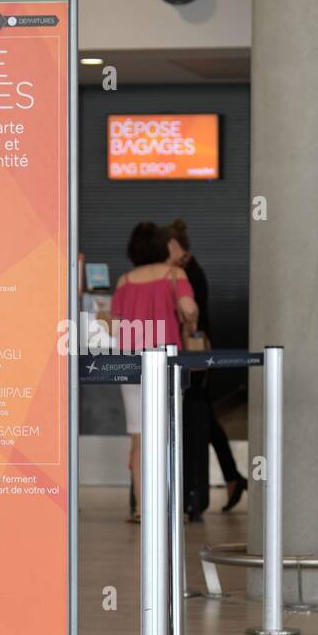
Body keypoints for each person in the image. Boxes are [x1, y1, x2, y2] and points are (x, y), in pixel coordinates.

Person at [111, 222, 199, 522]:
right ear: (162, 247)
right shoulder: (175, 275)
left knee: (138, 437)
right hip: (163, 359)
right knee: (167, 433)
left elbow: (115, 321)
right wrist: (189, 318)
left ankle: (141, 507)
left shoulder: (124, 281)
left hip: (130, 361)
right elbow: (188, 309)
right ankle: (167, 503)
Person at [164, 220, 247, 516]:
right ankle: (232, 477)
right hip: (198, 355)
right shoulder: (190, 270)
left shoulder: (187, 274)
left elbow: (190, 315)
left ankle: (219, 482)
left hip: (194, 355)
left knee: (200, 416)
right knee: (205, 417)